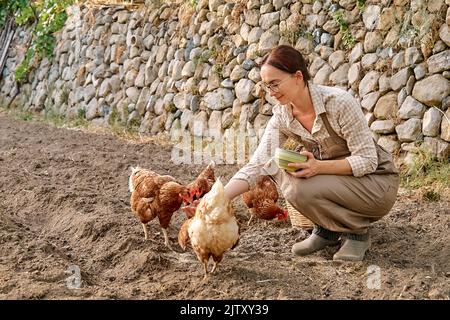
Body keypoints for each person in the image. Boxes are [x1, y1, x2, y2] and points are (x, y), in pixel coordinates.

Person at [224, 45, 399, 261]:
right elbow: (258, 163)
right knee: (287, 178)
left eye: (275, 84)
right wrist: (219, 198)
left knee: (306, 181)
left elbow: (367, 161)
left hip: (375, 184)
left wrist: (318, 167)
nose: (271, 92)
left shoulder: (338, 103)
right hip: (337, 182)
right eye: (267, 86)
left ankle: (358, 234)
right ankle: (327, 231)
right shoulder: (283, 116)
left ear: (298, 76)